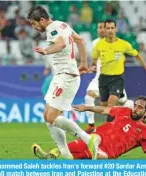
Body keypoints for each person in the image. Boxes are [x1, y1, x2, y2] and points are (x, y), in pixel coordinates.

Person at [27, 6, 99, 160]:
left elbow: (60, 44)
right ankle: (66, 154)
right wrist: (84, 63)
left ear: (42, 20)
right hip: (61, 76)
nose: (34, 27)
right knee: (47, 116)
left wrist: (46, 51)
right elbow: (80, 40)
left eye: (34, 24)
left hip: (66, 76)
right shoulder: (63, 25)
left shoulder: (52, 30)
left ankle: (89, 139)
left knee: (52, 117)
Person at [32, 96, 146, 160]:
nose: (135, 109)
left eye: (140, 107)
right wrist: (86, 107)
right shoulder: (124, 111)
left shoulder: (145, 133)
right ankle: (50, 157)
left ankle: (52, 158)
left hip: (104, 153)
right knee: (70, 151)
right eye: (135, 105)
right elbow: (104, 110)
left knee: (84, 146)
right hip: (92, 143)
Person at [91, 19, 146, 109]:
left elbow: (138, 56)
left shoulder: (123, 44)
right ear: (105, 30)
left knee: (110, 104)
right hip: (103, 78)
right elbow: (94, 59)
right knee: (104, 106)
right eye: (108, 28)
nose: (110, 30)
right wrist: (92, 67)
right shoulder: (99, 45)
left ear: (116, 29)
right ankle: (128, 106)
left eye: (112, 28)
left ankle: (112, 122)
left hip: (117, 78)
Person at [84, 21, 134, 133]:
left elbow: (123, 59)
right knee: (89, 96)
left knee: (124, 103)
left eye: (103, 27)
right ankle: (91, 125)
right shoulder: (95, 43)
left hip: (114, 78)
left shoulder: (117, 43)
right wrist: (91, 67)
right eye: (99, 27)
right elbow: (95, 60)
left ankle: (129, 118)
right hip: (99, 78)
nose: (101, 30)